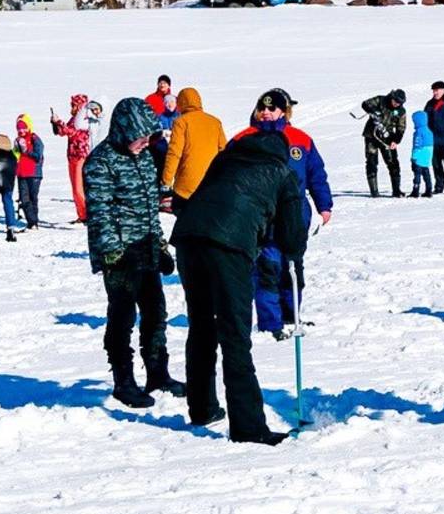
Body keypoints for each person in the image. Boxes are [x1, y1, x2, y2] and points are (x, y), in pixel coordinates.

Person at [174, 129, 309, 443]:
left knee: (202, 325)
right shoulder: (282, 172)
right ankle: (248, 426)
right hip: (229, 245)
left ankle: (202, 407)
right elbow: (292, 236)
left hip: (189, 239)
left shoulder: (226, 159)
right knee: (235, 333)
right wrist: (292, 250)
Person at [84, 97, 181, 407]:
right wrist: (114, 254)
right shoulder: (100, 162)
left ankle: (158, 373)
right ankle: (123, 381)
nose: (144, 143)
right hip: (120, 255)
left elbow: (150, 209)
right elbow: (100, 212)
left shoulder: (144, 158)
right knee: (123, 316)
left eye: (148, 137)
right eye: (140, 137)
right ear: (125, 131)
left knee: (156, 312)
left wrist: (161, 246)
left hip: (145, 247)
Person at [234, 88, 333, 339]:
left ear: (283, 111)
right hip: (261, 216)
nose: (266, 113)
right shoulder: (244, 139)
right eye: (262, 108)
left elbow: (316, 174)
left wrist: (324, 205)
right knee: (267, 268)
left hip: (295, 216)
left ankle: (292, 316)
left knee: (293, 268)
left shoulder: (301, 139)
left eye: (272, 108)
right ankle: (271, 324)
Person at [160, 86, 226, 207]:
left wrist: (166, 181)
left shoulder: (181, 122)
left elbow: (174, 153)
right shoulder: (215, 122)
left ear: (181, 103)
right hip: (210, 183)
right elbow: (224, 153)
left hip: (186, 187)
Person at [53, 94, 98, 223]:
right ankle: (82, 215)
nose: (71, 107)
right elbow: (64, 132)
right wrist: (55, 124)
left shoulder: (85, 119)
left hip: (81, 156)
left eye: (73, 105)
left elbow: (72, 132)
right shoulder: (73, 119)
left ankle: (88, 215)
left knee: (79, 188)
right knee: (74, 188)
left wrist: (59, 122)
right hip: (72, 156)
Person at [359, 89, 406, 197]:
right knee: (371, 162)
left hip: (387, 138)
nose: (396, 104)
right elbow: (365, 104)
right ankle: (374, 192)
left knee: (393, 162)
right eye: (395, 101)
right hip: (371, 136)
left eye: (399, 103)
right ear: (392, 97)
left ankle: (396, 190)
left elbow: (401, 127)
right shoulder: (381, 100)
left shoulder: (401, 111)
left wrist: (396, 140)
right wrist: (374, 111)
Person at [14, 114, 46, 228]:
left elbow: (38, 156)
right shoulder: (18, 140)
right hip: (21, 174)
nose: (21, 130)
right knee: (24, 199)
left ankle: (33, 222)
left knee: (33, 199)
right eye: (19, 128)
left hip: (34, 174)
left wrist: (26, 151)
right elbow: (16, 156)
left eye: (24, 127)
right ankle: (31, 221)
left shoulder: (34, 138)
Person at [144, 74, 177, 178]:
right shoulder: (151, 98)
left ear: (169, 85)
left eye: (165, 83)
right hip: (156, 134)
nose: (162, 85)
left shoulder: (175, 99)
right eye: (160, 83)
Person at [409, 107, 435, 196]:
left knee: (417, 174)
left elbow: (417, 145)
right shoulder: (429, 131)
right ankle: (429, 190)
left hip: (419, 156)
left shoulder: (419, 132)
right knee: (426, 173)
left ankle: (415, 191)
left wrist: (414, 157)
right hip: (427, 156)